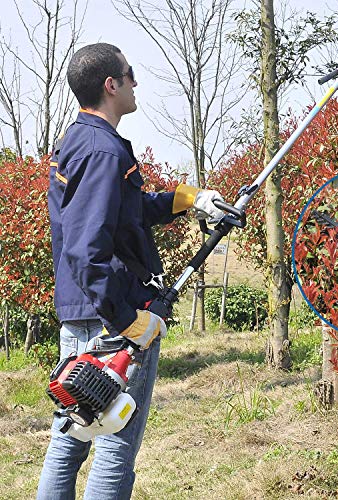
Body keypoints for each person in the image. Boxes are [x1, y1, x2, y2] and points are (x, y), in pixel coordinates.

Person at [37, 43, 224, 500]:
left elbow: (120, 213)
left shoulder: (80, 139)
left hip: (83, 311)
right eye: (130, 73)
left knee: (71, 439)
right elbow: (86, 249)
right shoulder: (103, 151)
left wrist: (185, 200)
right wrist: (125, 319)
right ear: (111, 84)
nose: (136, 82)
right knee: (115, 446)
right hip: (111, 320)